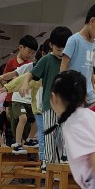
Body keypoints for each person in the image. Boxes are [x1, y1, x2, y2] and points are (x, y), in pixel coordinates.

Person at [11, 26, 71, 166]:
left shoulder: (69, 59)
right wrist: (25, 83)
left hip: (66, 104)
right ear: (51, 45)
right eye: (58, 49)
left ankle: (65, 156)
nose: (61, 52)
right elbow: (31, 74)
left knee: (67, 131)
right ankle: (47, 161)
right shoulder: (47, 60)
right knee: (49, 134)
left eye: (64, 49)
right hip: (49, 105)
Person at [61, 3, 95, 106]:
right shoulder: (74, 40)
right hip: (74, 94)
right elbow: (63, 66)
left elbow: (90, 70)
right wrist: (64, 89)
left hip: (89, 95)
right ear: (92, 21)